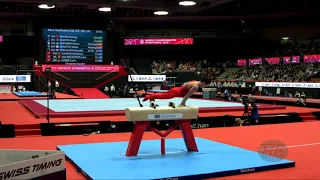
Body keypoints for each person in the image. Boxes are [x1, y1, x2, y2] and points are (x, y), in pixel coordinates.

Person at [143, 77, 211, 106]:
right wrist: (182, 103)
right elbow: (187, 95)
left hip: (177, 89)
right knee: (164, 96)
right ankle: (148, 96)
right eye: (206, 85)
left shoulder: (195, 81)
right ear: (204, 82)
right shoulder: (195, 87)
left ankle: (151, 97)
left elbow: (184, 84)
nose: (205, 86)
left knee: (163, 94)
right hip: (177, 92)